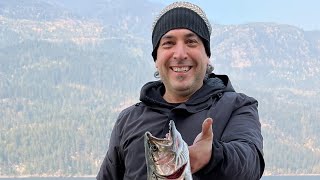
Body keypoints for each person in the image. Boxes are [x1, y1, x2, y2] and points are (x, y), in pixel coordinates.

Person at [97, 1, 265, 180]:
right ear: (156, 57)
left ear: (207, 55)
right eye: (168, 43)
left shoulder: (237, 106)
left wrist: (212, 156)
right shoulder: (128, 120)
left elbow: (251, 164)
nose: (180, 54)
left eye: (191, 42)